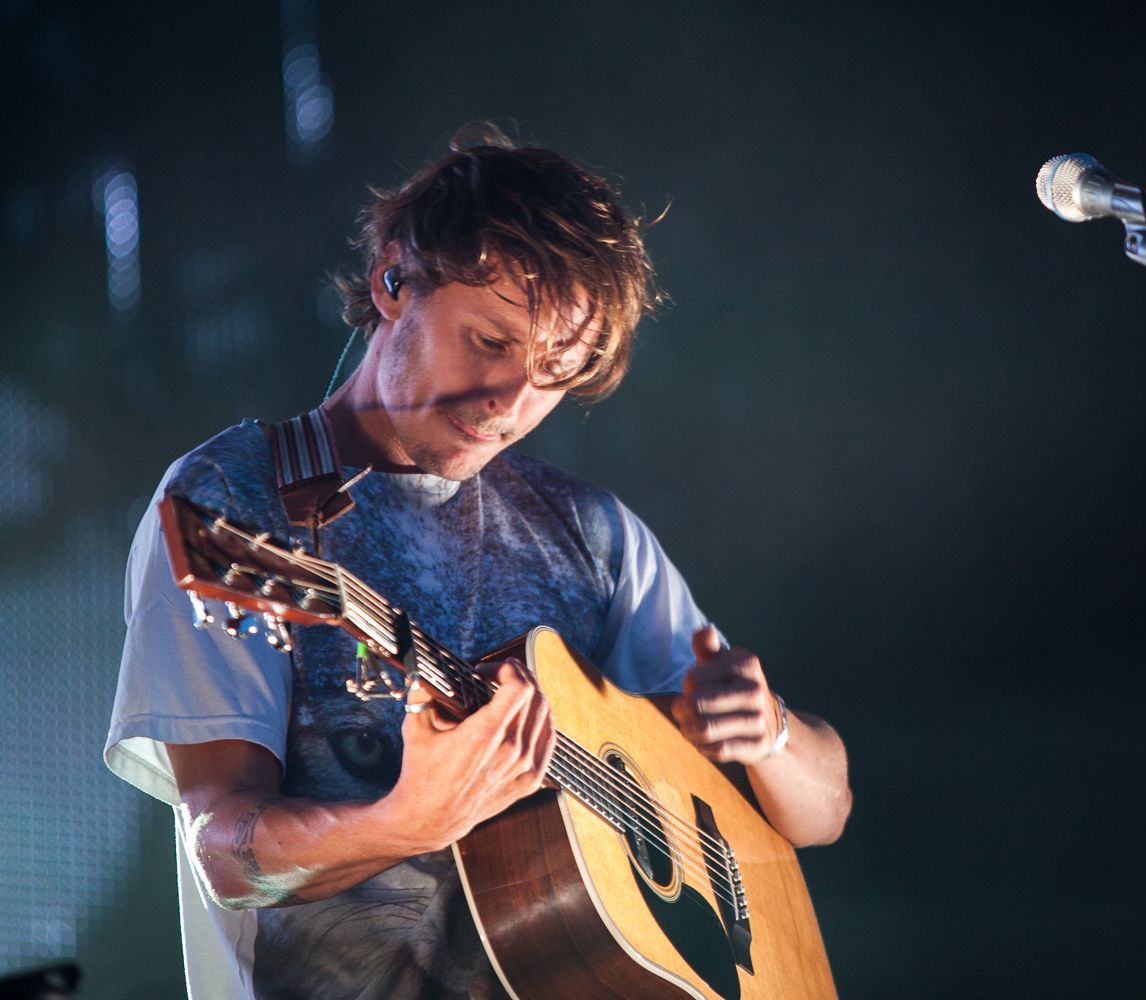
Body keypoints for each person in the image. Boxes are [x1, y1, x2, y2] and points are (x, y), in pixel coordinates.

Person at [103, 124, 851, 999]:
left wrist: (770, 734)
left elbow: (821, 809)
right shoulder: (234, 500)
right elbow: (226, 853)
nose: (508, 404)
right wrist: (400, 822)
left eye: (554, 375)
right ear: (393, 280)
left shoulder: (590, 533)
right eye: (491, 342)